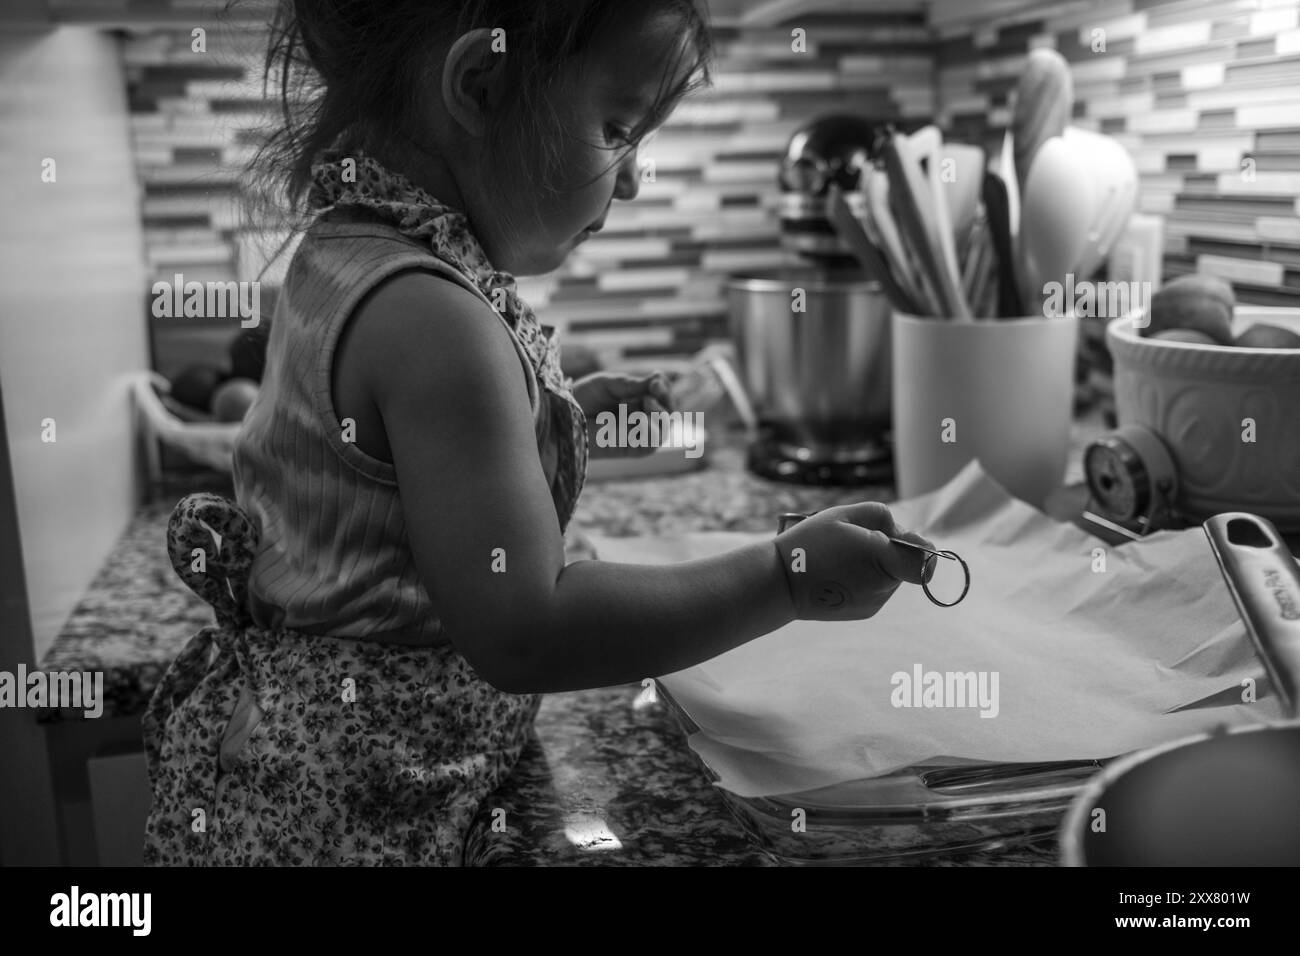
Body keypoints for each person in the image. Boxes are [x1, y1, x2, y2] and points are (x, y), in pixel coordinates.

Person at [142, 0, 935, 866]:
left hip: (296, 761)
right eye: (619, 126)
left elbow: (393, 474)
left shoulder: (350, 249)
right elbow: (529, 629)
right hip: (360, 812)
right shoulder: (432, 316)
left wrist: (554, 414)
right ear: (481, 83)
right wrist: (787, 577)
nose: (632, 178)